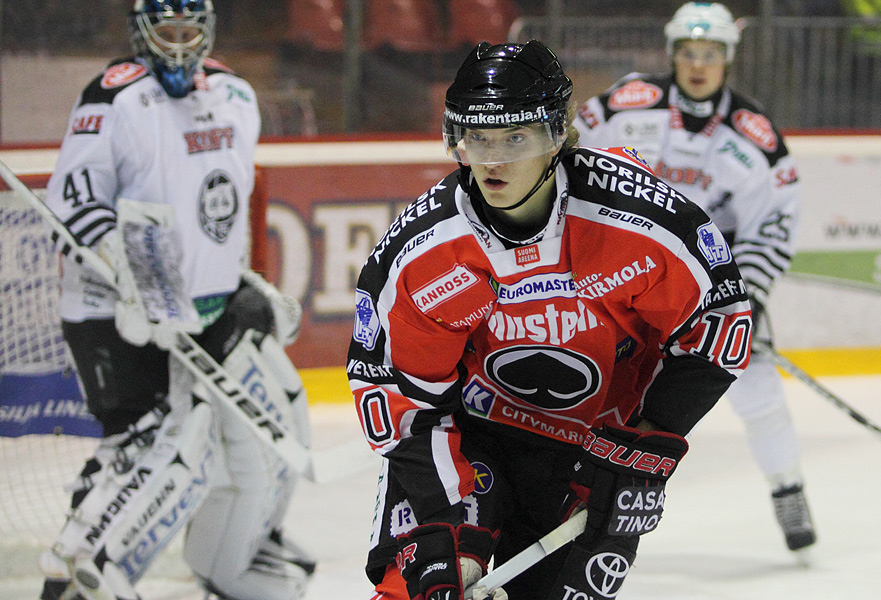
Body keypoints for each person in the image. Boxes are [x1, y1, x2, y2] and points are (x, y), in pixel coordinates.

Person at [347, 39, 752, 600]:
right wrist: (440, 523)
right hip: (473, 436)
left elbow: (718, 323)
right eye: (478, 137)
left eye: (516, 137)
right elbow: (399, 393)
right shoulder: (423, 252)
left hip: (595, 454)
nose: (493, 160)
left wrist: (647, 439)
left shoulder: (639, 218)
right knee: (420, 590)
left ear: (557, 134)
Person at [37, 1, 315, 599]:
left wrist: (238, 281)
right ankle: (70, 580)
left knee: (274, 418)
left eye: (191, 30)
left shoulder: (235, 95)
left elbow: (220, 209)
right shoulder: (112, 97)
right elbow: (73, 203)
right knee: (139, 447)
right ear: (142, 32)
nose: (181, 43)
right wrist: (126, 272)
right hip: (113, 313)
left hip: (198, 311)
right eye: (168, 30)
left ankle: (250, 547)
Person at [573, 1, 814, 554]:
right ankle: (575, 497)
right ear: (672, 54)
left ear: (728, 58)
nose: (698, 65)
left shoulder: (756, 137)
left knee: (757, 389)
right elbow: (567, 157)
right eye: (688, 52)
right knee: (600, 385)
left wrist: (745, 299)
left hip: (713, 286)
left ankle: (788, 487)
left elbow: (773, 226)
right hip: (629, 278)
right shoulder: (626, 105)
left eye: (710, 53)